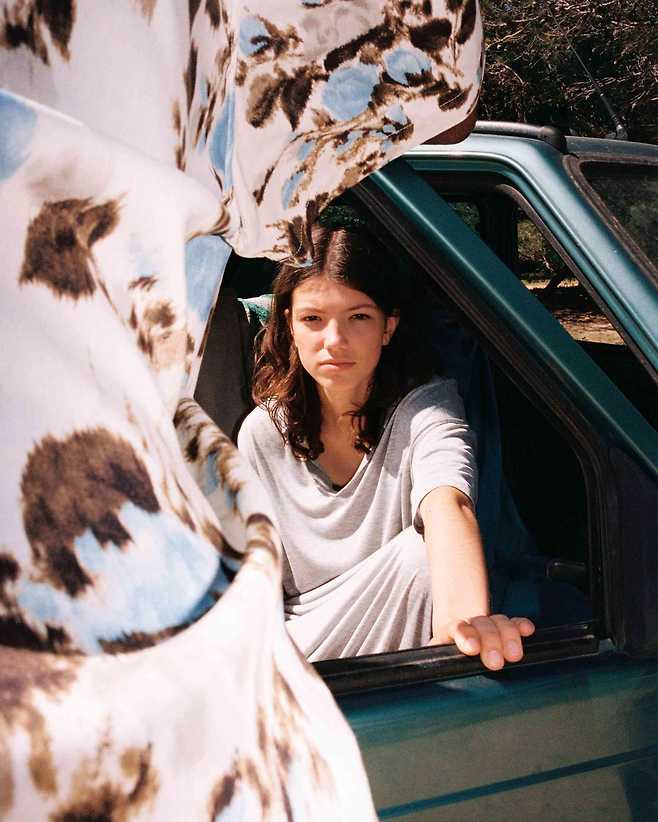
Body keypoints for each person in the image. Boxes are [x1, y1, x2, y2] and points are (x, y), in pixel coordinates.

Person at [238, 209, 535, 666]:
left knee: (420, 555)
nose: (334, 340)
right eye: (313, 318)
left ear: (388, 327)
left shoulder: (427, 407)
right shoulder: (261, 434)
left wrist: (465, 626)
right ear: (290, 326)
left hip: (398, 636)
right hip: (298, 641)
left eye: (358, 317)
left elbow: (449, 504)